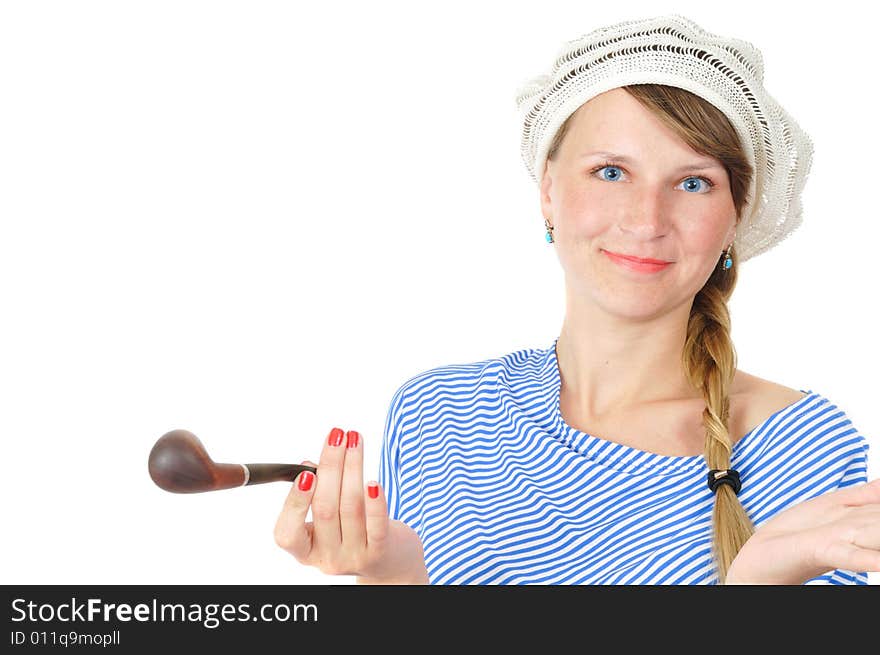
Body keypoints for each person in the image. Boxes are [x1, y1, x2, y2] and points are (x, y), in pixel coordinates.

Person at [273, 15, 879, 584]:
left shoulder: (800, 440)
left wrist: (755, 586)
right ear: (547, 192)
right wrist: (395, 574)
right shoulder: (439, 413)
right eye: (611, 171)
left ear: (734, 220)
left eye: (693, 183)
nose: (647, 220)